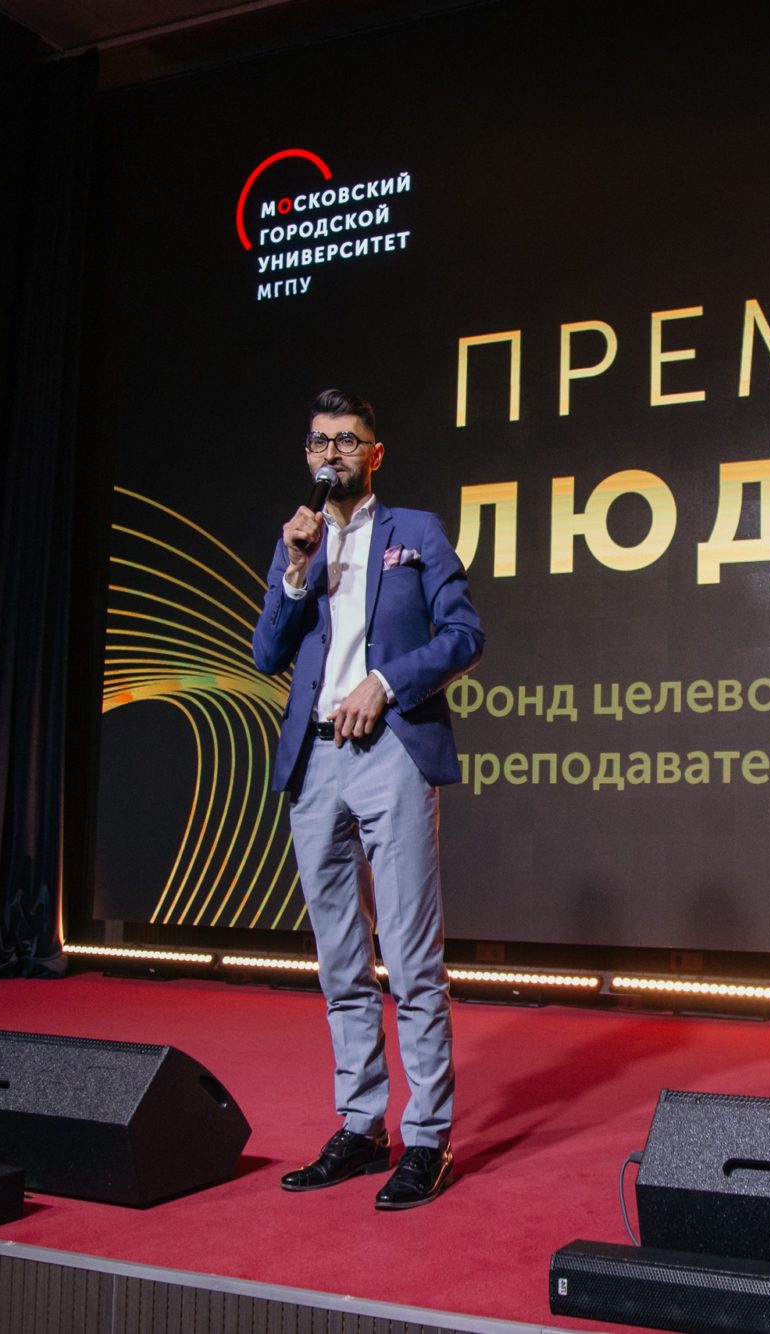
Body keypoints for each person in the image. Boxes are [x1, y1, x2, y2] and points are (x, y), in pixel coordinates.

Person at [251, 388, 483, 1210]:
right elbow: (267, 653)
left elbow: (464, 635)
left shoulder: (416, 532)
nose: (332, 453)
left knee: (412, 961)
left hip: (391, 753)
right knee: (341, 962)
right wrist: (294, 572)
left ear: (374, 454)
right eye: (320, 442)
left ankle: (426, 1138)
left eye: (347, 440)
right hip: (314, 761)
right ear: (307, 454)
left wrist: (385, 682)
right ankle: (360, 1126)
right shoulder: (300, 540)